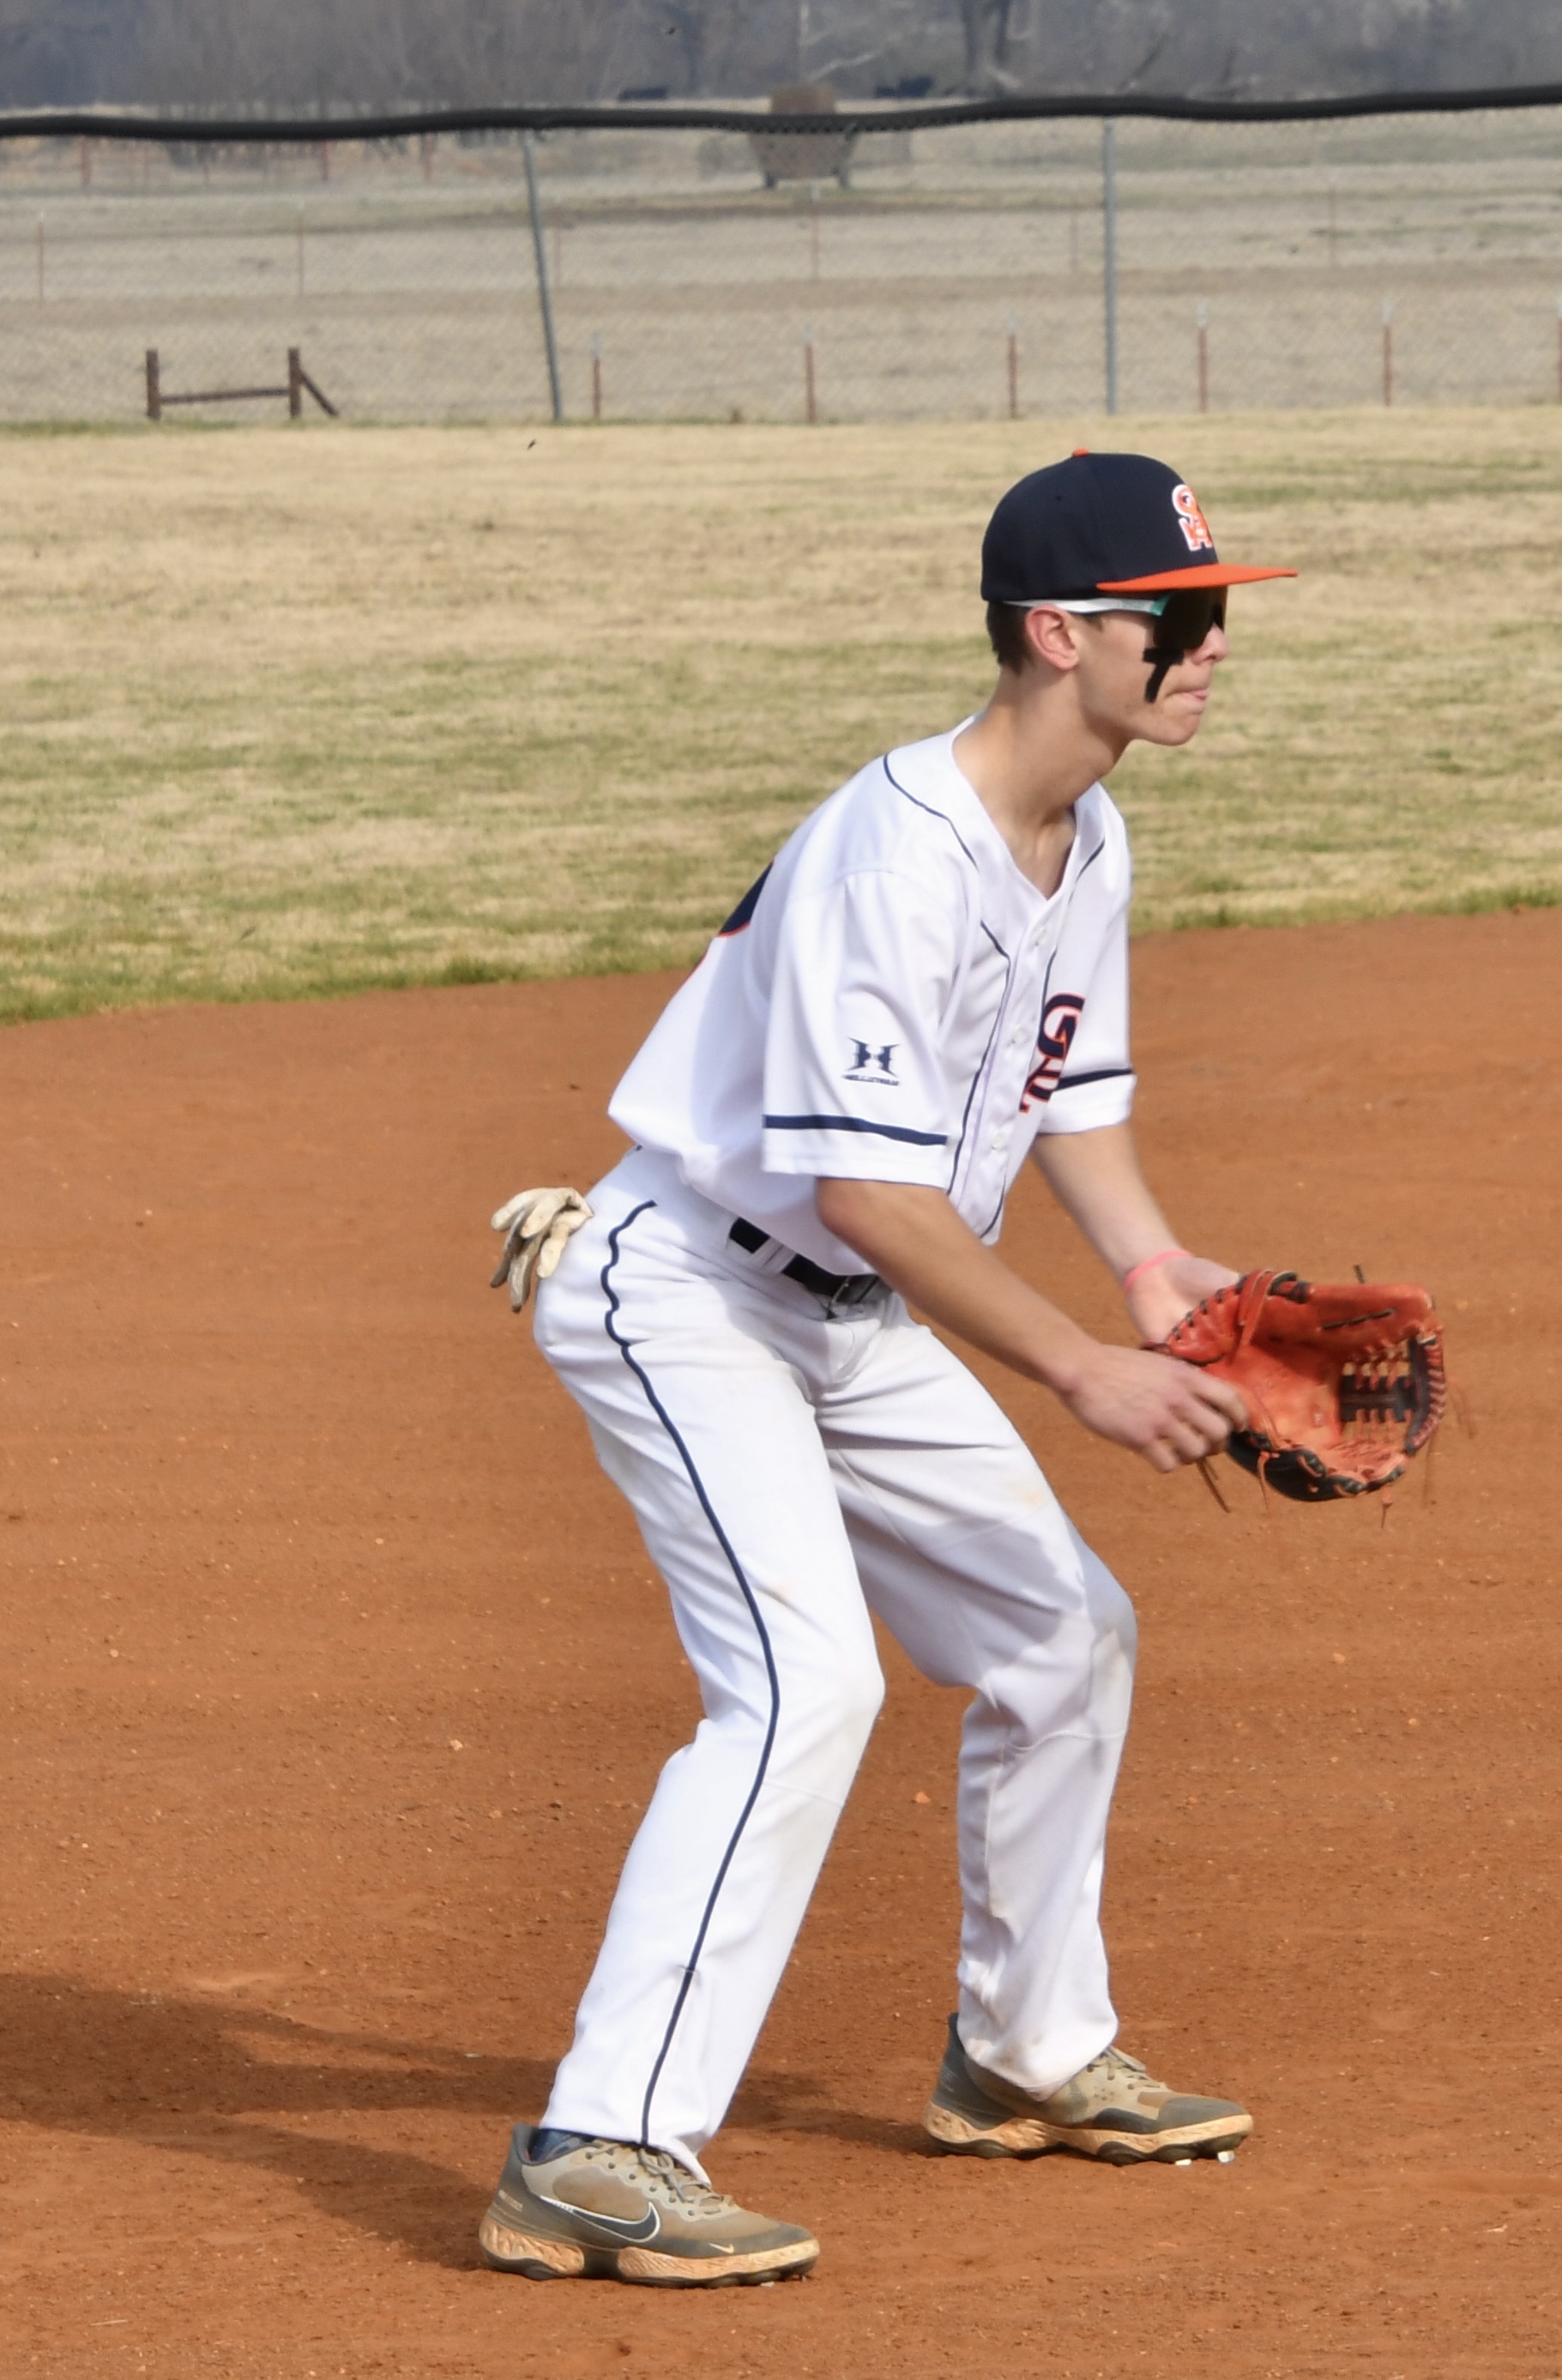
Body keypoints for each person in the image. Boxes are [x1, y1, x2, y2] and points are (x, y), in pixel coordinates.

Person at [477, 450, 1295, 2290]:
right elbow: (862, 1180)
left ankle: (1023, 2050)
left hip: (843, 1310)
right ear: (1054, 632)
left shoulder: (1087, 832)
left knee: (1058, 1630)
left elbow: (1066, 1094)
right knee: (798, 1681)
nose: (1212, 645)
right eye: (1179, 617)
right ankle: (597, 2144)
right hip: (685, 1287)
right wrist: (1086, 1367)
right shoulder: (892, 846)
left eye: (1219, 610)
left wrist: (1151, 1264)